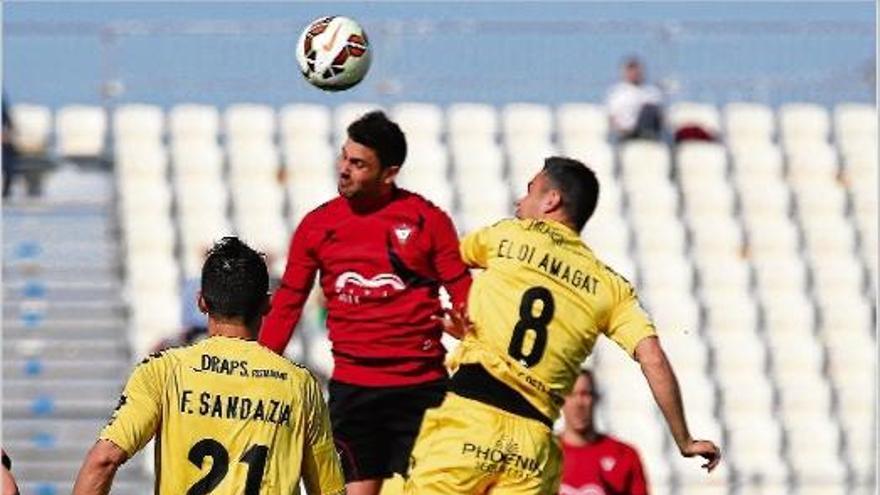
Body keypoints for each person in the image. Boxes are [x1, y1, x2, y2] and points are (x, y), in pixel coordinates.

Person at [405, 157, 720, 494]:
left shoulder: (507, 236)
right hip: (533, 448)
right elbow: (653, 357)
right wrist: (684, 439)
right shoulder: (610, 286)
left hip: (470, 416)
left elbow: (433, 259)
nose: (519, 201)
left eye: (529, 191)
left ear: (551, 200)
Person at [259, 111, 472, 495]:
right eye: (344, 157)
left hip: (421, 390)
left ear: (389, 173)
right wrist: (257, 366)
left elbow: (463, 291)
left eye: (357, 164)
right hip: (354, 391)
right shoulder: (317, 225)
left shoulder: (428, 221)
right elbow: (289, 300)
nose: (343, 169)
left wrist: (476, 340)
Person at [72, 237, 344, 495]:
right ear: (267, 304)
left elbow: (103, 461)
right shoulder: (300, 384)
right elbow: (329, 489)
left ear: (202, 301)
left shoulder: (164, 371)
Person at [560, 369, 649, 495]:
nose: (578, 403)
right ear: (559, 400)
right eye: (571, 394)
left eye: (585, 394)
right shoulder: (542, 453)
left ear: (596, 398)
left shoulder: (625, 454)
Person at [606, 57, 664, 141]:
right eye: (631, 70)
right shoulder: (617, 93)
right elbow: (611, 118)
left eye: (637, 70)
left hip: (648, 130)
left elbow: (660, 116)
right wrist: (619, 130)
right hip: (624, 132)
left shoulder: (652, 92)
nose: (635, 73)